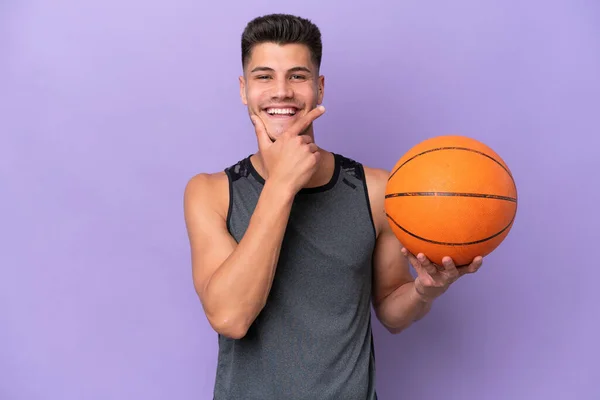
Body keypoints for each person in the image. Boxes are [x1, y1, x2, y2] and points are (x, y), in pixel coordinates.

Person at [183, 13, 483, 400]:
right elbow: (229, 317)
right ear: (243, 90)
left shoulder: (375, 189)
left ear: (319, 88)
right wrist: (281, 184)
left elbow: (392, 310)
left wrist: (425, 291)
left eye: (297, 76)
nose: (281, 92)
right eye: (263, 77)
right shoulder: (210, 192)